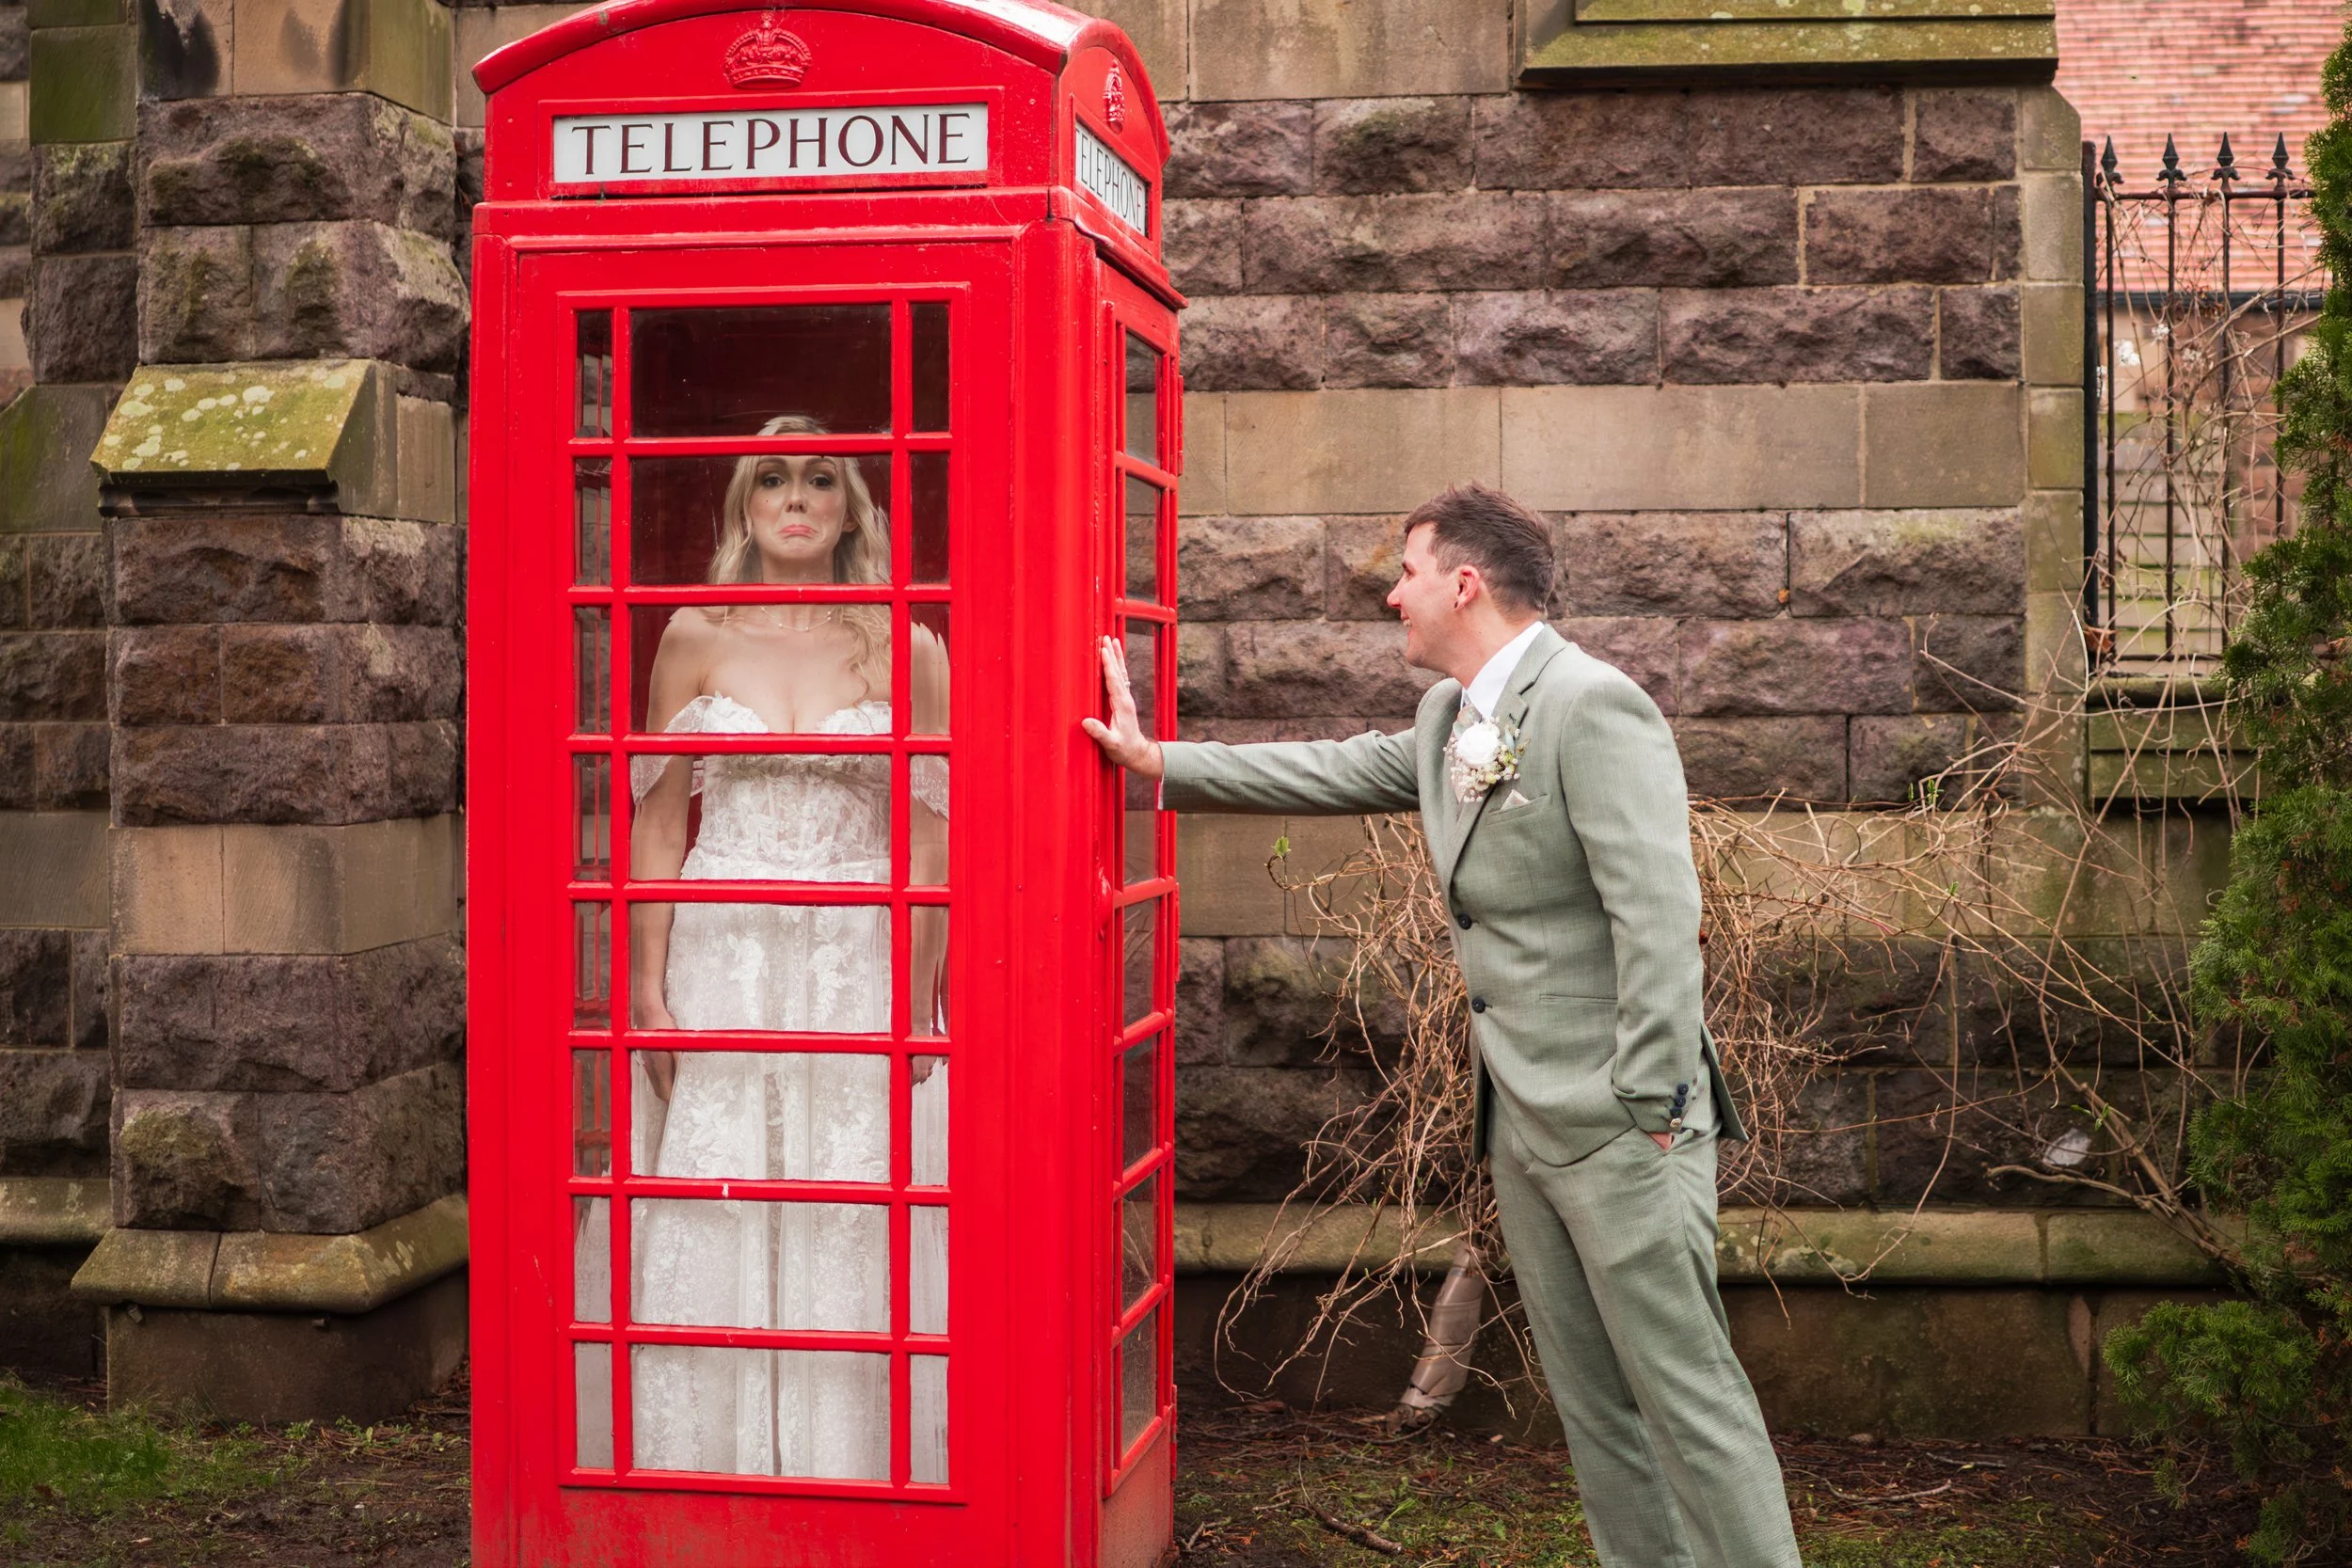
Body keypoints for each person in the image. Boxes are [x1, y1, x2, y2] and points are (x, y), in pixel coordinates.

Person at [1084, 483, 1802, 1568]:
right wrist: (1153, 764)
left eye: (1406, 572)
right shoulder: (1444, 720)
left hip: (1621, 1128)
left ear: (1463, 582)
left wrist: (1650, 1107)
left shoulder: (1592, 705)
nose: (1391, 595)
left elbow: (1657, 916)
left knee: (1688, 1399)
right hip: (1518, 1124)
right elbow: (1324, 767)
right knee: (1595, 1407)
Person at [578, 416, 949, 1481]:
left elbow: (932, 830)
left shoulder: (904, 641)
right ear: (744, 503)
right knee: (722, 1175)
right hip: (721, 947)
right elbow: (654, 819)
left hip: (850, 952)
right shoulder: (693, 632)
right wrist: (642, 985)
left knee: (844, 1184)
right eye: (774, 479)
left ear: (851, 509)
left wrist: (919, 995)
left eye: (821, 480)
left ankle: (845, 1469)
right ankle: (699, 1467)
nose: (796, 498)